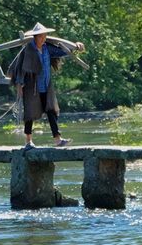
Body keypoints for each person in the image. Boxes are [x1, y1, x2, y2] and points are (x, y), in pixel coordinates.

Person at [8, 22, 85, 150]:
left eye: (44, 36)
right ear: (35, 37)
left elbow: (62, 52)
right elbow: (21, 68)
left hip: (46, 85)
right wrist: (19, 85)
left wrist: (75, 47)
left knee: (51, 110)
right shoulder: (28, 49)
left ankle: (58, 139)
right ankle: (28, 141)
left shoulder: (47, 48)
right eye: (40, 36)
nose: (43, 39)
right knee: (30, 113)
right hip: (31, 86)